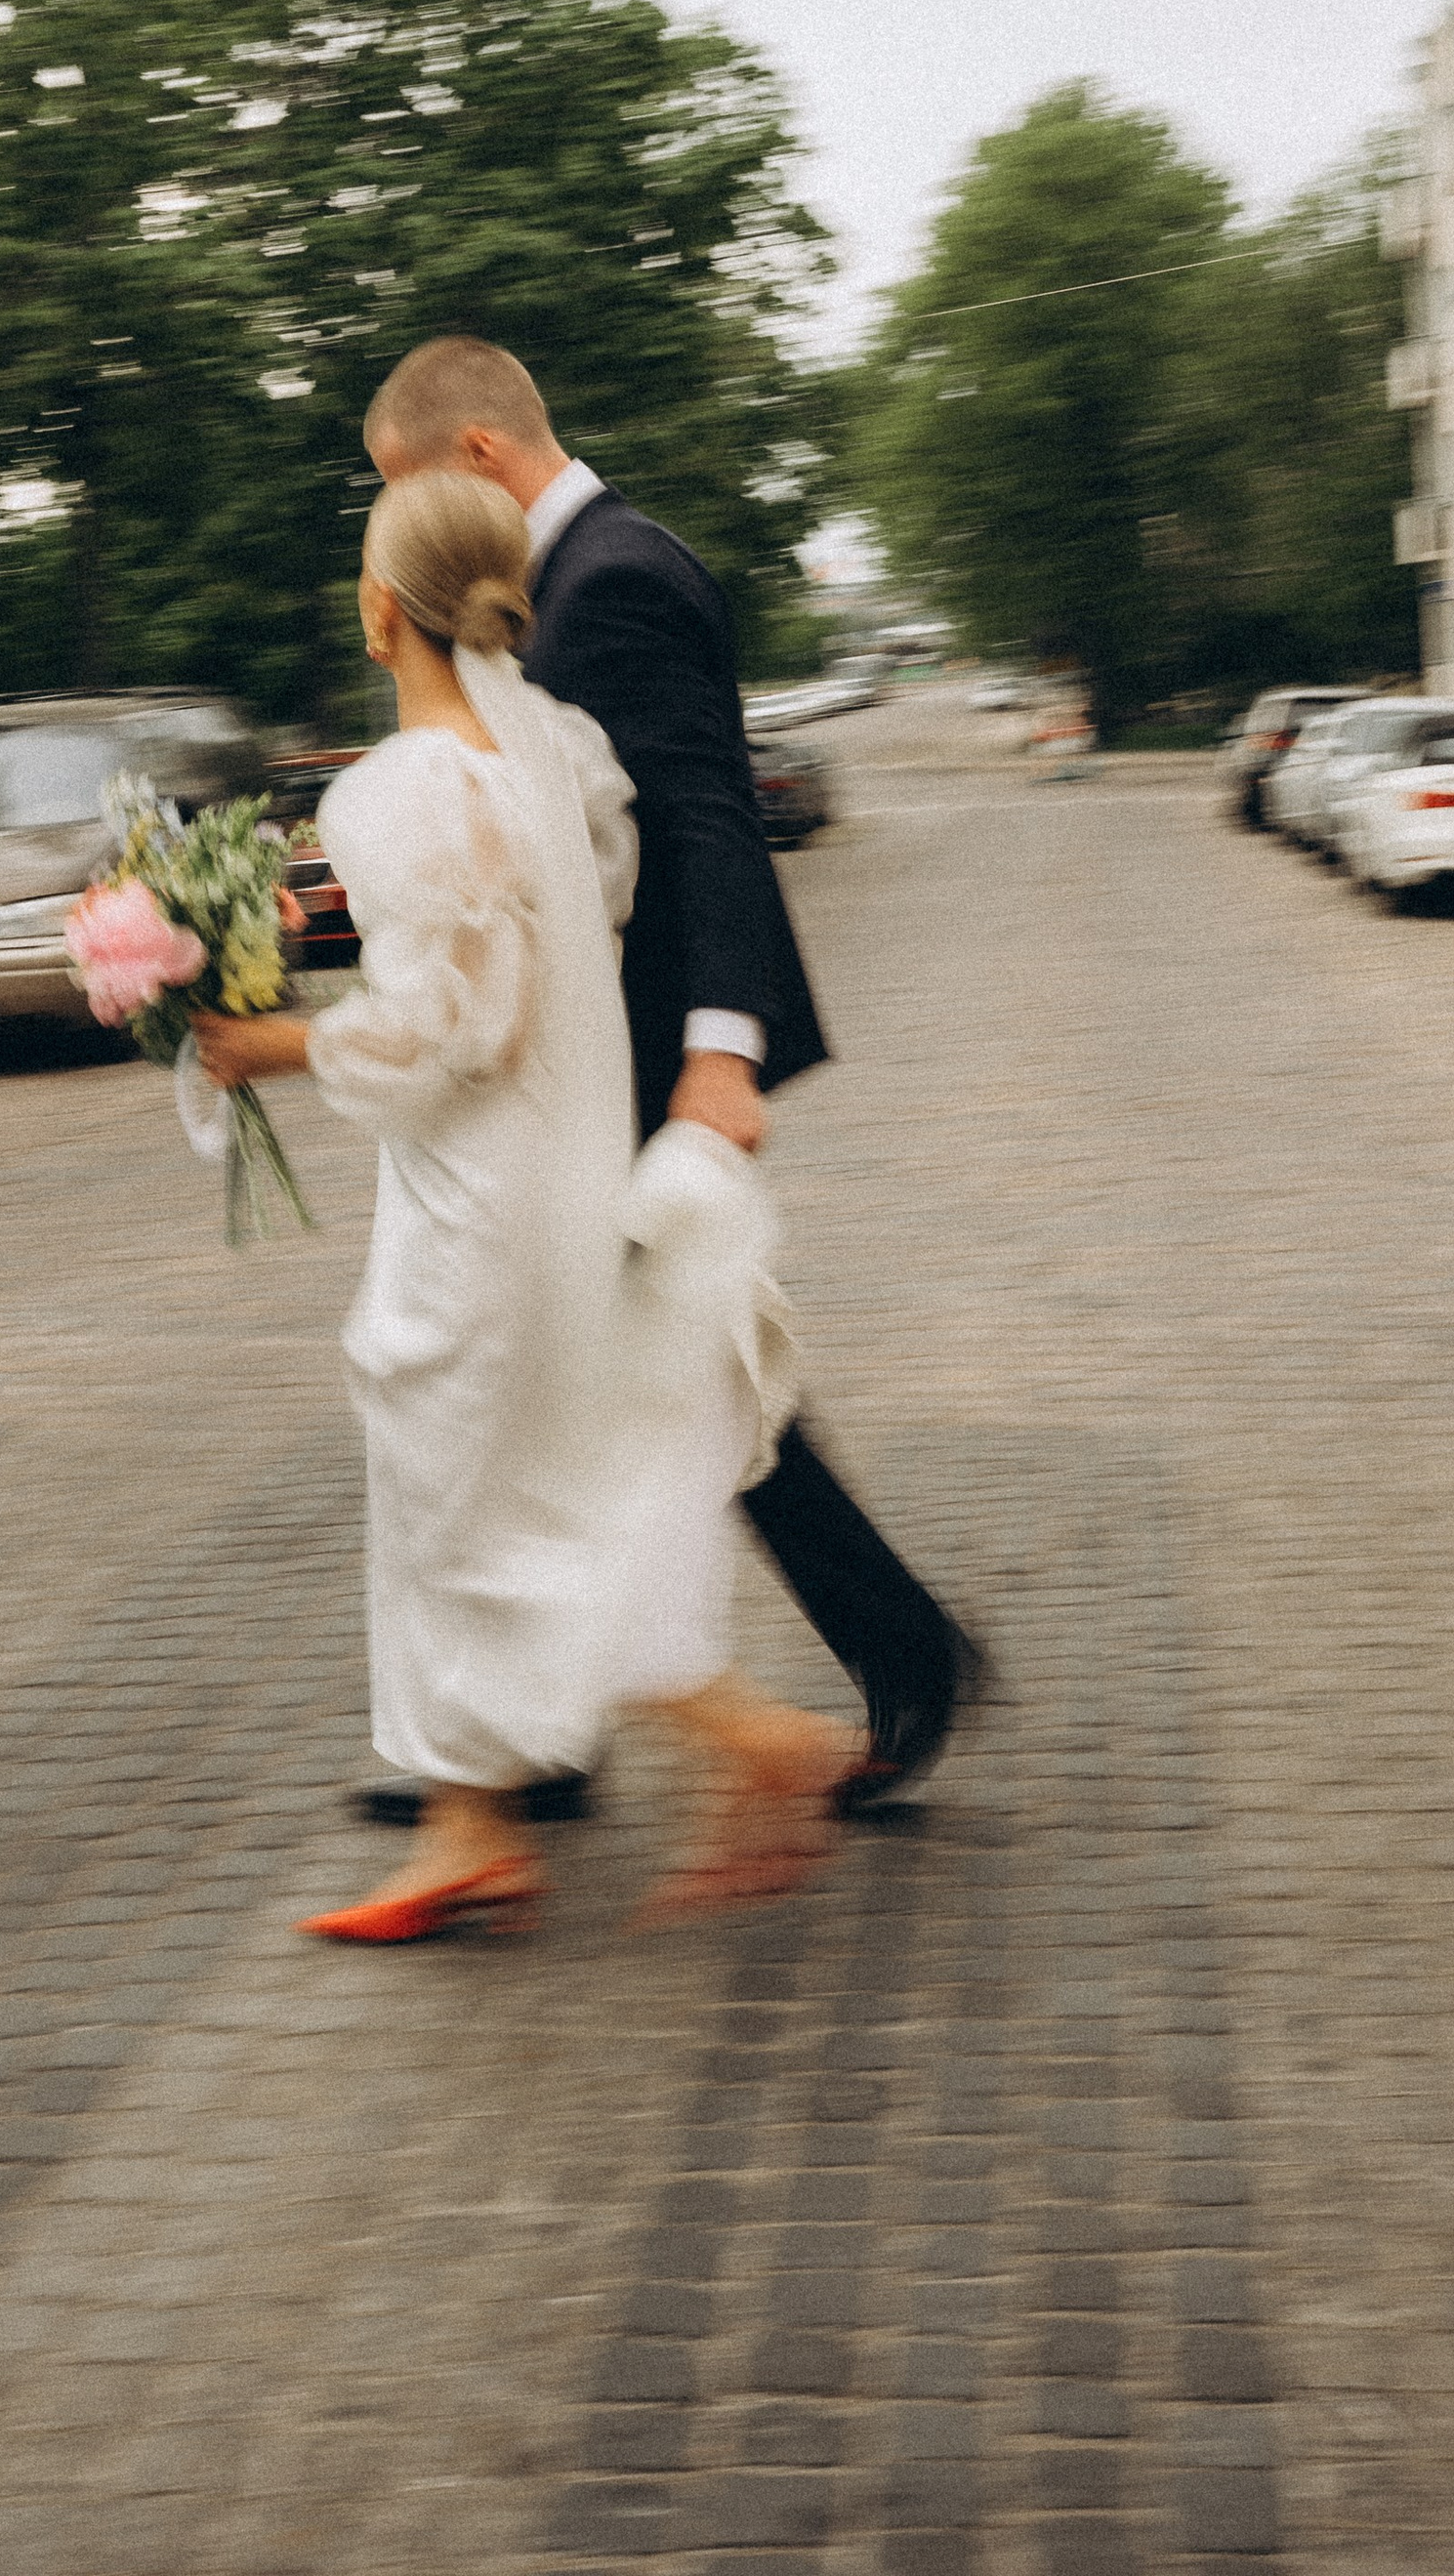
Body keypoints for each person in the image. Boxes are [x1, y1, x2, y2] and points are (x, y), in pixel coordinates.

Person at [191, 468, 853, 1940]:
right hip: (570, 1161)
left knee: (483, 1511)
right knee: (493, 1494)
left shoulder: (397, 788)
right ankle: (465, 1826)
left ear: (381, 608)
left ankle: (763, 1744)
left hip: (477, 1200)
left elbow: (444, 1030)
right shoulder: (556, 750)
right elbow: (562, 917)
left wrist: (266, 1041)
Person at [353, 338, 983, 1823]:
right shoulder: (571, 576)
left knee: (614, 1372)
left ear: (479, 460)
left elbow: (707, 821)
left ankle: (531, 1754)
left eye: (405, 494)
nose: (402, 537)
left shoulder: (616, 576)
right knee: (618, 1371)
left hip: (626, 1057)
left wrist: (720, 1050)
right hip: (565, 1048)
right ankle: (530, 1746)